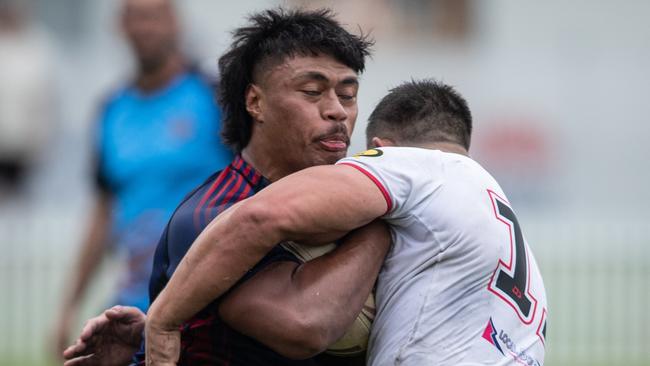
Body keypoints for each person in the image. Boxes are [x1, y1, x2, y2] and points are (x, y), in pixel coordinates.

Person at [63, 8, 385, 366]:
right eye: (312, 91)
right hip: (141, 279)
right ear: (254, 102)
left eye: (348, 95)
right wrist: (386, 225)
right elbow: (307, 326)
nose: (337, 111)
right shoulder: (207, 220)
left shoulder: (358, 201)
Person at [147, 79, 549, 366]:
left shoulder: (411, 165)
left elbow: (258, 215)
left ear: (380, 149)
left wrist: (164, 322)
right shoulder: (505, 232)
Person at [54, 0, 233, 355]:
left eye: (153, 16)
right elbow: (104, 210)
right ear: (120, 27)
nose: (144, 27)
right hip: (135, 302)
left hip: (207, 300)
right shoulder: (112, 109)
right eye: (133, 17)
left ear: (175, 23)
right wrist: (68, 307)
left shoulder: (213, 96)